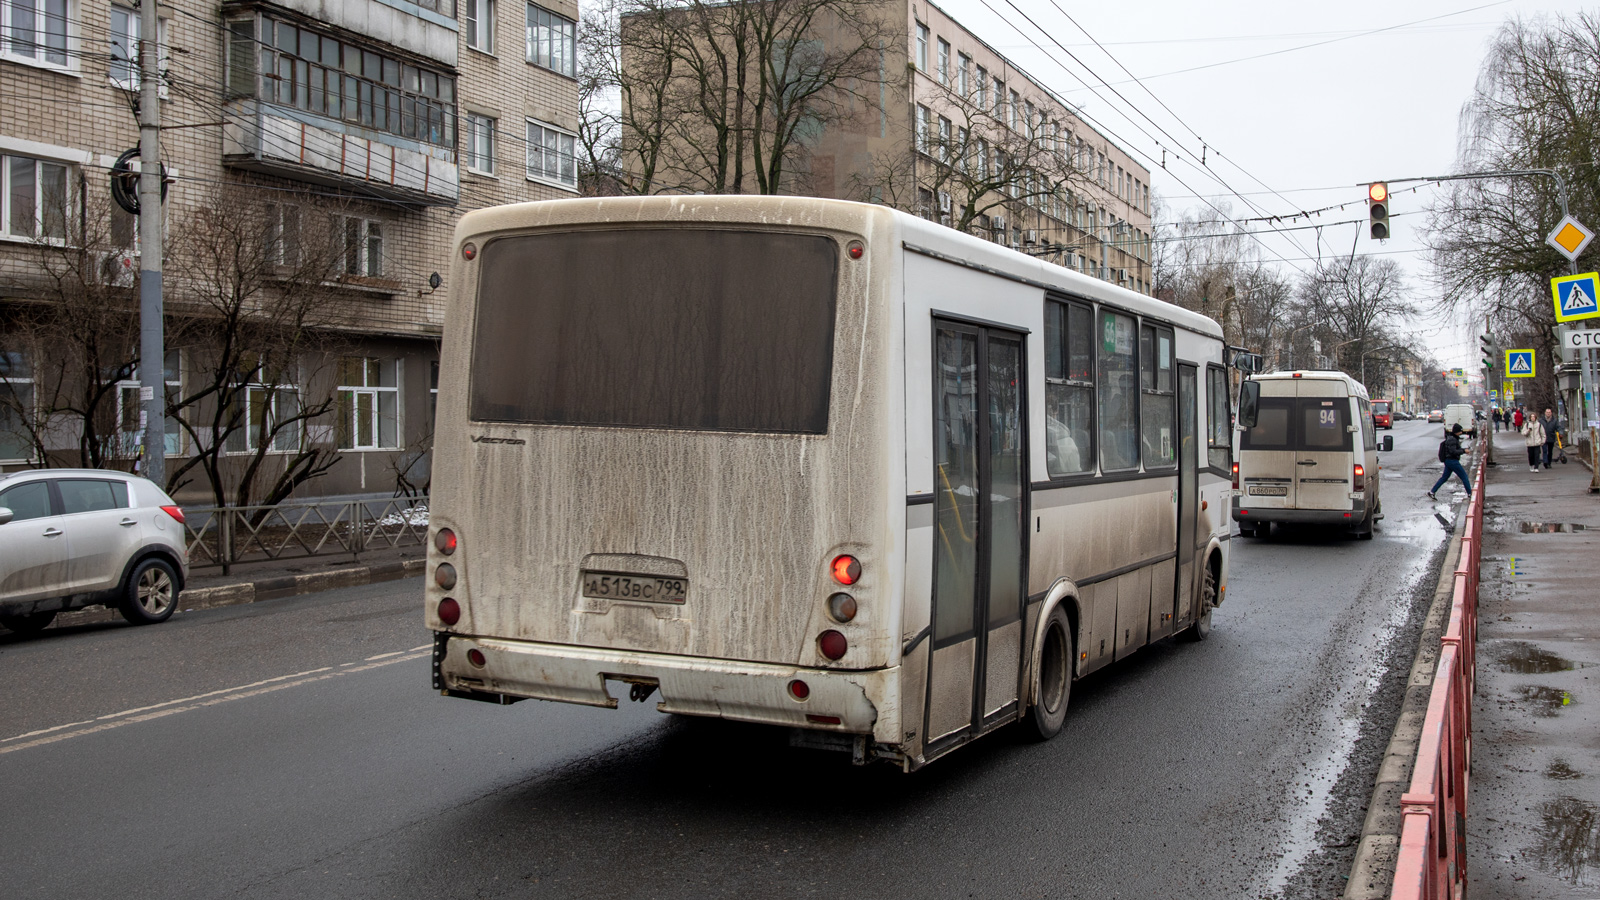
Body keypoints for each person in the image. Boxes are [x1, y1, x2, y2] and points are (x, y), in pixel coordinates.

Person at [1429, 424, 1471, 500]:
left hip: (1449, 461)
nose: (1461, 432)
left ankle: (1432, 492)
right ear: (1456, 431)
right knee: (1464, 476)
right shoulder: (1452, 439)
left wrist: (1463, 450)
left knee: (1444, 478)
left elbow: (1454, 449)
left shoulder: (1452, 438)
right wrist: (1464, 451)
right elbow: (1453, 451)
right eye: (1460, 431)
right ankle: (1470, 493)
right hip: (1452, 461)